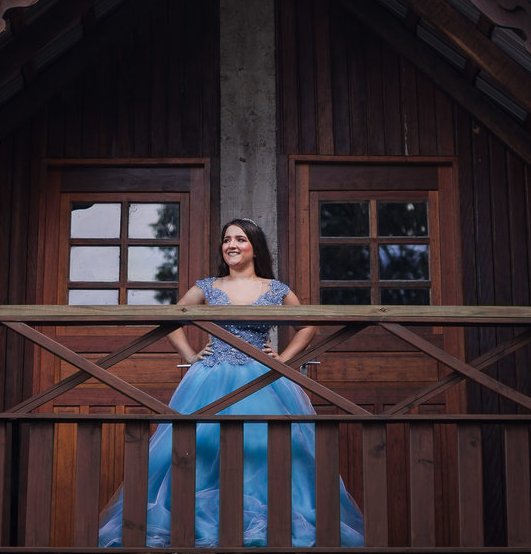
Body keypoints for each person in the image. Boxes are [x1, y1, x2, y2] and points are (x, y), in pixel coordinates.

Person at [97, 218, 364, 547]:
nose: (232, 245)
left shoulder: (276, 289)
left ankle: (273, 524)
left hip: (262, 378)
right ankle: (197, 524)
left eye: (240, 239)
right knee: (197, 447)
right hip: (210, 377)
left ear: (255, 247)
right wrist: (192, 355)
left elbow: (309, 325)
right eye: (227, 239)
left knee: (267, 447)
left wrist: (284, 358)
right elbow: (171, 318)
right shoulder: (207, 286)